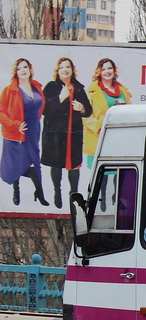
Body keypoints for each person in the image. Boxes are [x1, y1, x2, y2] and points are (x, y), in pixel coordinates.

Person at [42, 56, 92, 209]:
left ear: (72, 70)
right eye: (62, 67)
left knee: (74, 165)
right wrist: (60, 98)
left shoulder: (78, 88)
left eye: (68, 67)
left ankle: (74, 194)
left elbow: (88, 110)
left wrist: (82, 108)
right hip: (55, 135)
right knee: (56, 165)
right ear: (58, 70)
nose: (65, 70)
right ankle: (57, 192)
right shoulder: (51, 87)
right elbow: (44, 109)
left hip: (73, 134)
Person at [0, 58, 48, 206]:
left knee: (36, 162)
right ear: (16, 72)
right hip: (16, 133)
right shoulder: (10, 90)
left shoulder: (36, 87)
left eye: (25, 67)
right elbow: (1, 112)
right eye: (19, 68)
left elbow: (40, 107)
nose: (23, 70)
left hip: (34, 130)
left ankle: (39, 192)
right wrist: (15, 125)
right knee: (15, 164)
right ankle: (16, 191)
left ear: (29, 69)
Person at [84, 58, 131, 210]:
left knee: (121, 169)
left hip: (119, 137)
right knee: (103, 171)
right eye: (103, 69)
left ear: (114, 70)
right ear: (99, 72)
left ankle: (117, 198)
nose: (107, 72)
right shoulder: (92, 92)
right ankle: (102, 200)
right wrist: (103, 122)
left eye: (109, 68)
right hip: (100, 136)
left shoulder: (122, 91)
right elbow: (86, 117)